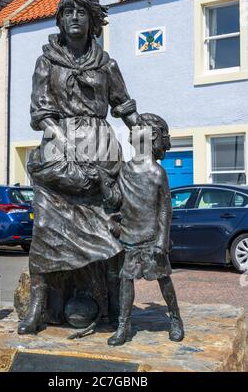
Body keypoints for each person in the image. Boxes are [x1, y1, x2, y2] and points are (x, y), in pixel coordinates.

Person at [18, 0, 140, 335]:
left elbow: (125, 107)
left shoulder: (106, 64)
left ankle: (118, 307)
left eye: (81, 12)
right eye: (67, 12)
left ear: (92, 21)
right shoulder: (47, 62)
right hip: (60, 146)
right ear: (59, 20)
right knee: (44, 227)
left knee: (112, 229)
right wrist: (66, 145)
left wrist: (145, 146)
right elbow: (41, 113)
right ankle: (39, 308)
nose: (74, 17)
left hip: (100, 146)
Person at [98, 113, 184, 346]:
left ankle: (175, 318)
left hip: (152, 238)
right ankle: (124, 326)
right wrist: (104, 185)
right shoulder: (125, 171)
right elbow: (116, 201)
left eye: (137, 129)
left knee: (164, 280)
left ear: (150, 136)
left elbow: (165, 210)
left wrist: (162, 242)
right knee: (126, 281)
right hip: (130, 238)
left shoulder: (157, 173)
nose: (131, 132)